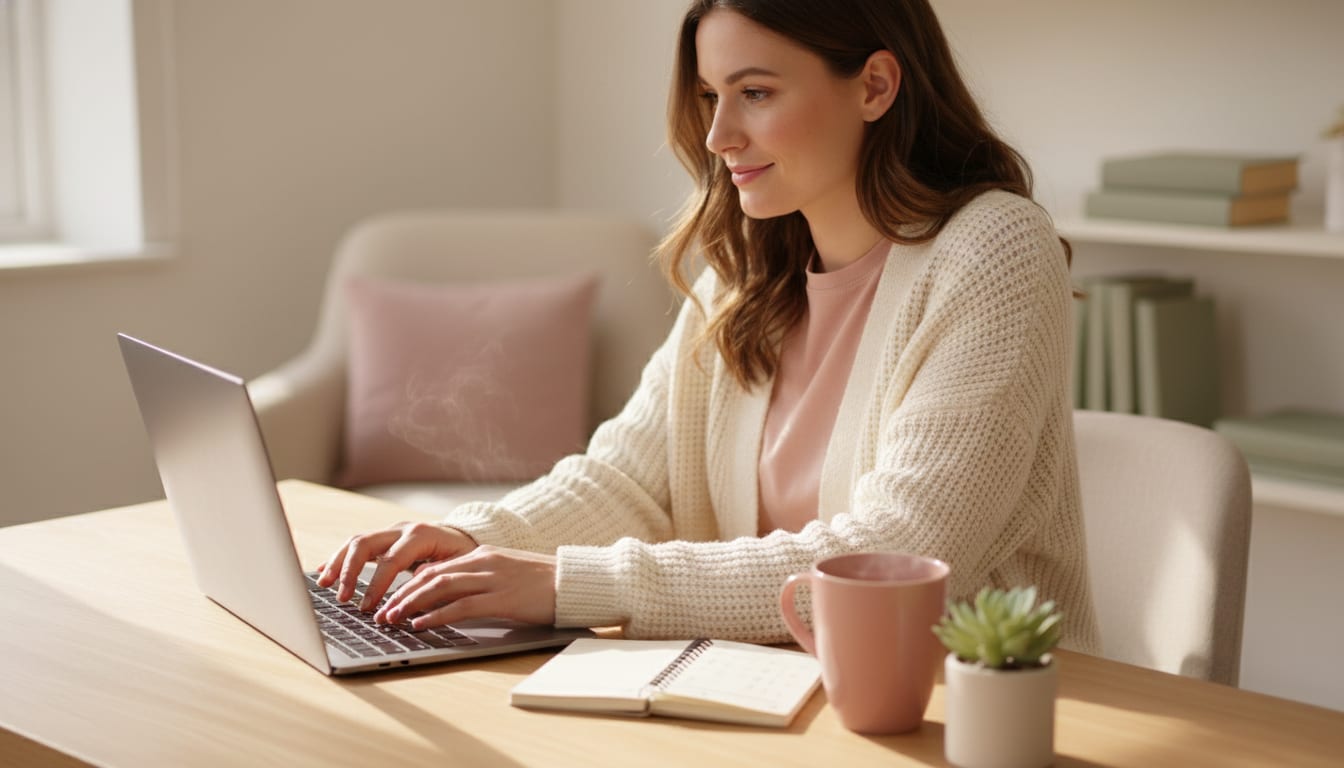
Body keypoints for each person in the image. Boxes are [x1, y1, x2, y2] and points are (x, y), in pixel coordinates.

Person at [317, 0, 1101, 652]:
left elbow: (895, 555)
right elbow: (628, 479)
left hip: (971, 703)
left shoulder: (994, 251)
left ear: (875, 85)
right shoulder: (749, 266)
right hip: (771, 682)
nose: (720, 135)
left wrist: (566, 584)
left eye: (755, 92)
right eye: (709, 96)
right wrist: (473, 540)